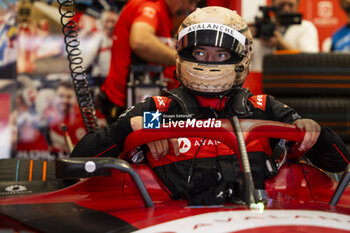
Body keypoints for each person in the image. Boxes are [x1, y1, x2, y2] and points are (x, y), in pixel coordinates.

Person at [71, 7, 349, 205]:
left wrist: (315, 133)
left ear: (240, 57)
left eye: (221, 54)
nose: (209, 61)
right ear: (182, 54)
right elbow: (79, 163)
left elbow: (339, 163)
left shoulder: (262, 107)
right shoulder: (160, 109)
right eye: (200, 52)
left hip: (257, 219)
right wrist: (127, 132)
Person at [99, 0, 200, 124]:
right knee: (146, 139)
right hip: (130, 104)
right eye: (190, 1)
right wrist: (184, 61)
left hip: (149, 102)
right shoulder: (149, 6)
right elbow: (140, 42)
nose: (192, 7)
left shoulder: (166, 12)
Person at [251, 0, 319, 72]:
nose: (286, 9)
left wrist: (280, 44)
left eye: (290, 5)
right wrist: (245, 36)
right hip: (258, 78)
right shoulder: (259, 26)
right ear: (272, 4)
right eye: (281, 5)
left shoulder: (306, 27)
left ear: (297, 4)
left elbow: (311, 61)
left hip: (291, 80)